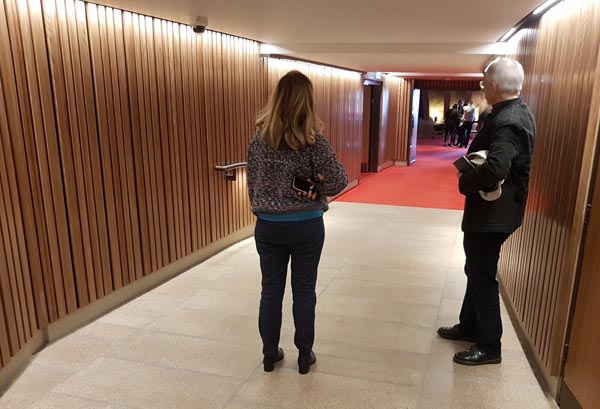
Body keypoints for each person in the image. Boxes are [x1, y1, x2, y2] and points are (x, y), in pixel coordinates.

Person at [246, 70, 348, 374]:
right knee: (304, 291)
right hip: (306, 225)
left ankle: (269, 354)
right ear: (308, 102)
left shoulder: (259, 139)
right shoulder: (313, 142)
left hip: (267, 224)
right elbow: (338, 180)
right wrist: (316, 183)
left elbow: (253, 180)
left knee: (270, 290)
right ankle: (304, 354)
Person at [437, 58, 536, 365]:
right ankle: (469, 325)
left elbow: (496, 166)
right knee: (475, 269)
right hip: (496, 213)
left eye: (483, 84)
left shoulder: (508, 121)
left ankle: (490, 345)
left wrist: (465, 180)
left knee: (482, 275)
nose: (483, 89)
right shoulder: (515, 111)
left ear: (493, 86)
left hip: (493, 216)